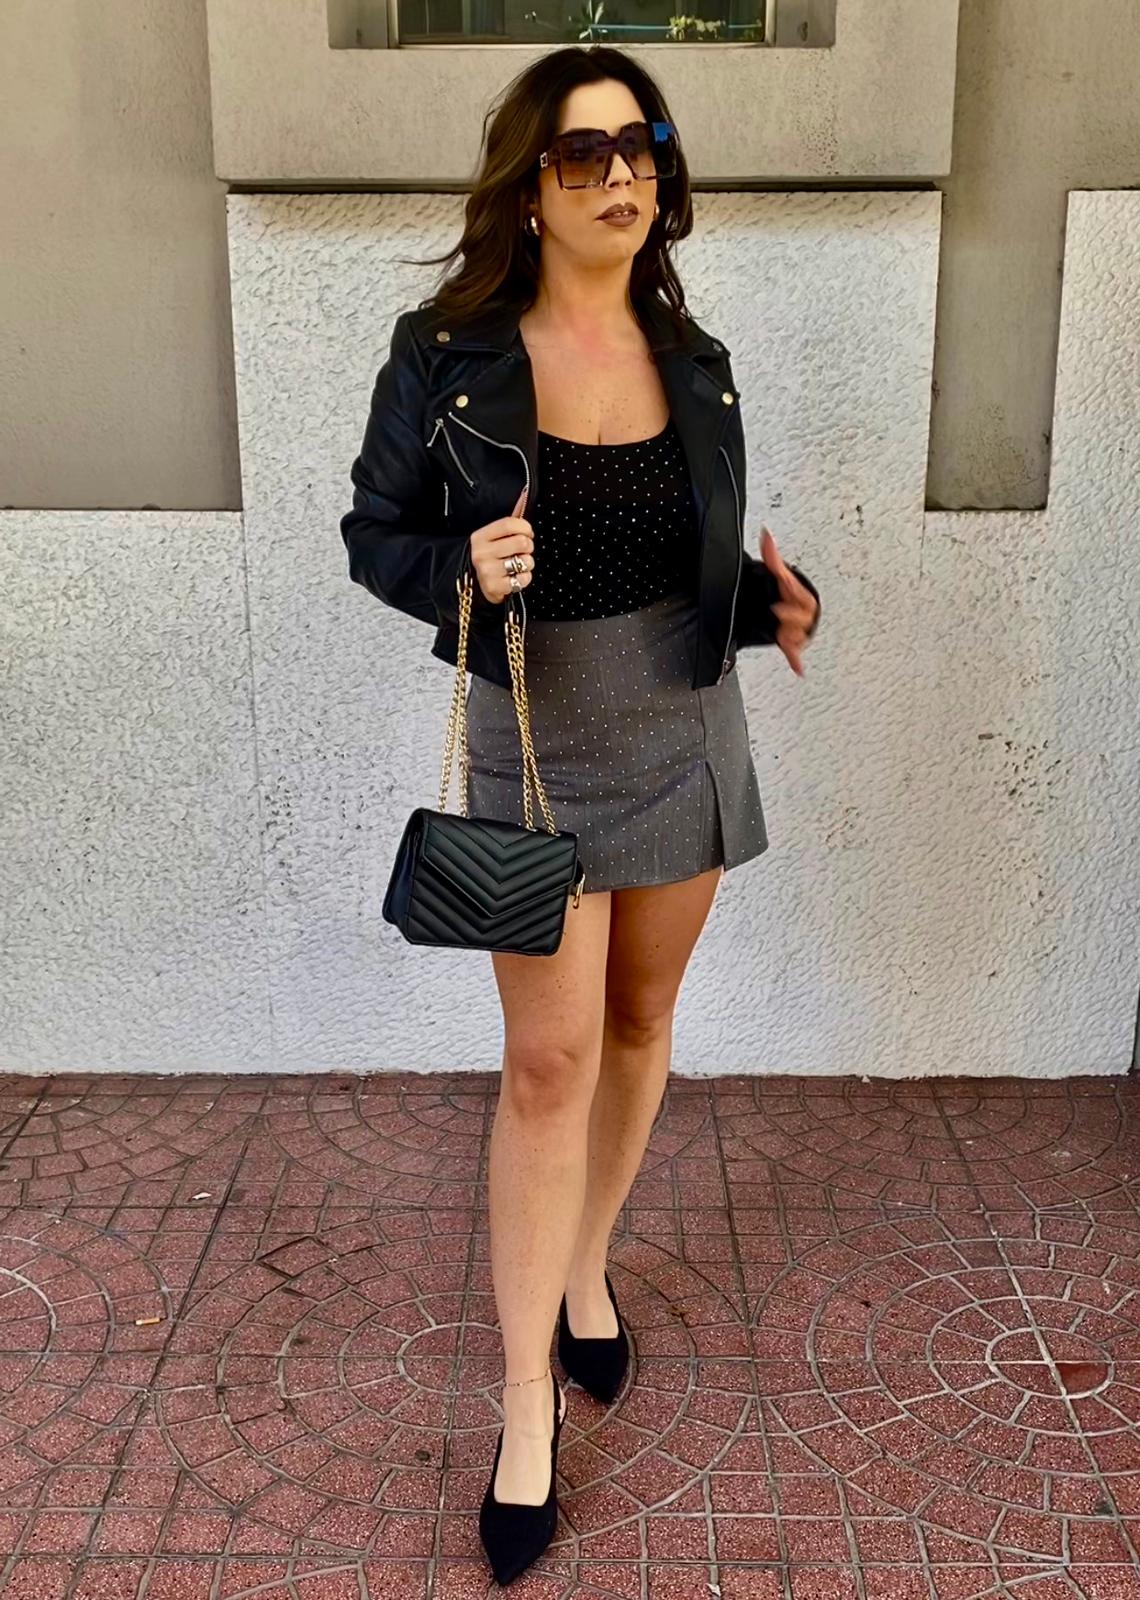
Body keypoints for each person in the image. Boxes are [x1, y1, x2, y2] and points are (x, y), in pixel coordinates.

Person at [340, 43, 820, 1587]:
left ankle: (587, 1265)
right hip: (536, 738)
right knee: (547, 1063)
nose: (622, 173)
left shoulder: (698, 359)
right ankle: (525, 1393)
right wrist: (456, 570)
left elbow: (686, 555)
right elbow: (373, 532)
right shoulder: (447, 353)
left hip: (682, 726)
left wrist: (772, 604)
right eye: (583, 152)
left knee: (638, 1026)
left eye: (642, 144)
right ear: (530, 189)